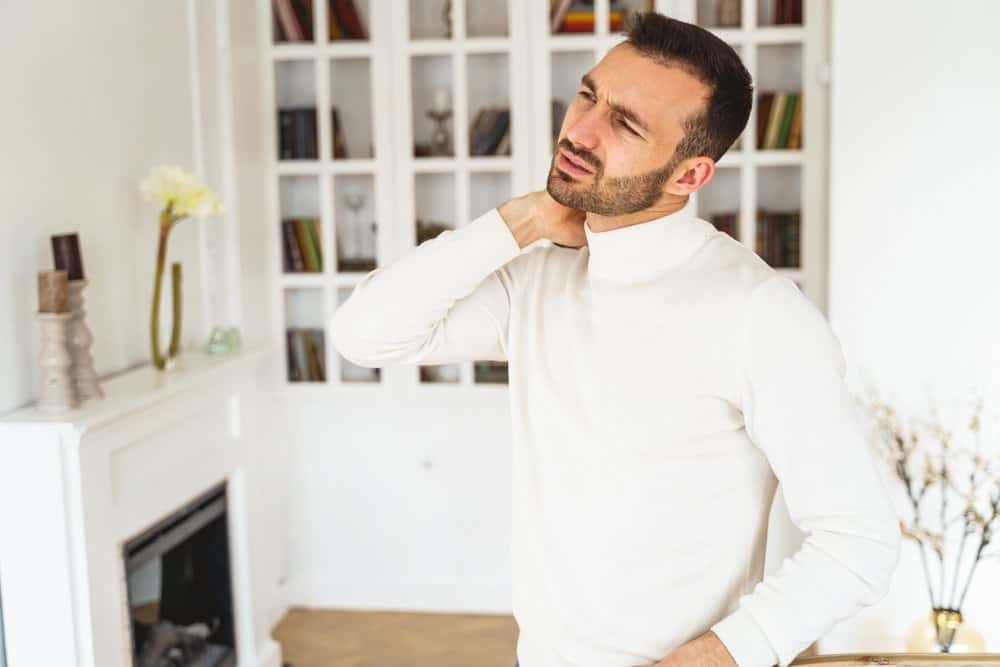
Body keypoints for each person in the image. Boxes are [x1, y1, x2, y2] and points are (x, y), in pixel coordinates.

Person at [330, 11, 901, 667]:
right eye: (588, 95)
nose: (580, 131)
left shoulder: (759, 312)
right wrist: (524, 218)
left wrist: (720, 654)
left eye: (625, 124)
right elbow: (365, 333)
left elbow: (859, 539)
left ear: (690, 175)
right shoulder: (541, 272)